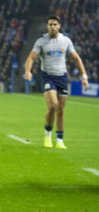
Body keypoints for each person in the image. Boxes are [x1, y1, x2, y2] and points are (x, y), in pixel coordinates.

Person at [24, 15, 89, 149]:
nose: (53, 27)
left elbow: (76, 59)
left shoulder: (65, 41)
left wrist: (84, 76)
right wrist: (28, 71)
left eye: (55, 24)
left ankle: (59, 140)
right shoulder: (41, 41)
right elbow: (31, 57)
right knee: (53, 105)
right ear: (47, 26)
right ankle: (47, 136)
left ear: (59, 26)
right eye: (50, 24)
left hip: (62, 77)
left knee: (60, 110)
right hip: (48, 77)